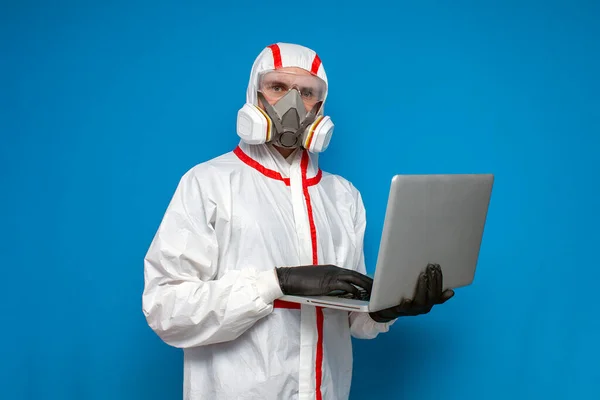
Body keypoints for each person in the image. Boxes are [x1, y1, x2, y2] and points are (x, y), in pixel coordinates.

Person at [142, 42, 454, 400]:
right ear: (254, 95)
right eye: (277, 87)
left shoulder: (343, 196)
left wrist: (387, 308)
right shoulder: (208, 183)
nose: (292, 103)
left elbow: (353, 319)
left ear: (320, 107)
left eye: (307, 93)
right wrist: (275, 283)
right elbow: (166, 309)